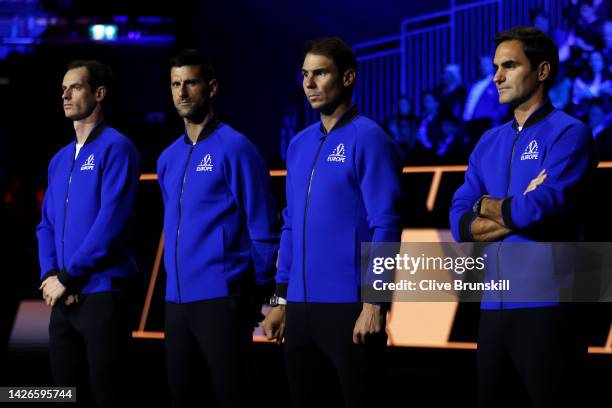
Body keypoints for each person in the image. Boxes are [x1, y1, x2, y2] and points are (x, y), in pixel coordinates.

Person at [449, 27, 595, 408]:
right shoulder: (488, 141)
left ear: (542, 70)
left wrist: (489, 205)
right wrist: (504, 206)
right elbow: (460, 222)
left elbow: (540, 207)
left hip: (551, 311)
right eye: (496, 66)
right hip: (493, 313)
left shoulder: (570, 133)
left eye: (509, 66)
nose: (496, 76)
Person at [262, 37, 403, 408]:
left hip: (349, 307)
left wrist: (375, 303)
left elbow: (386, 226)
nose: (308, 83)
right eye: (305, 74)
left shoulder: (370, 139)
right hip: (302, 310)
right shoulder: (299, 144)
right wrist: (281, 299)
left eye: (320, 74)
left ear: (348, 78)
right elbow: (290, 225)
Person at [157, 49, 279, 408]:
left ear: (211, 88)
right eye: (175, 84)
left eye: (190, 83)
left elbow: (263, 224)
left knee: (233, 396)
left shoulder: (236, 148)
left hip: (222, 298)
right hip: (176, 301)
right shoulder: (167, 158)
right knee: (183, 397)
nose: (181, 93)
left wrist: (255, 291)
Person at [37, 60, 142, 407]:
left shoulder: (117, 148)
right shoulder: (59, 159)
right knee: (64, 395)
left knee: (108, 394)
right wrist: (51, 274)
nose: (65, 94)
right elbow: (46, 225)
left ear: (98, 94)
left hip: (102, 294)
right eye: (63, 88)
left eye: (75, 87)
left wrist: (69, 276)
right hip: (63, 298)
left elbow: (110, 223)